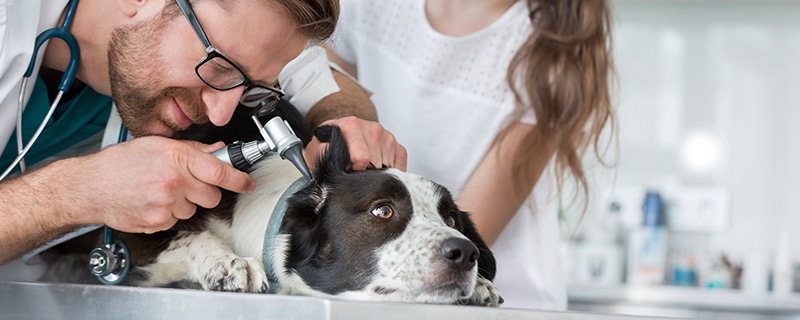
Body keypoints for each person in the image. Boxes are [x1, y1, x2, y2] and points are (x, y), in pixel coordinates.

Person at [0, 0, 407, 265]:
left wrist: (343, 126)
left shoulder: (226, 32)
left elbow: (328, 83)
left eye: (249, 87)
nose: (218, 112)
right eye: (220, 67)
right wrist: (76, 193)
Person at [326, 0, 614, 310]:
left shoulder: (552, 45)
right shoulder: (368, 7)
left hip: (494, 296)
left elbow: (463, 237)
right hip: (385, 285)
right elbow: (329, 97)